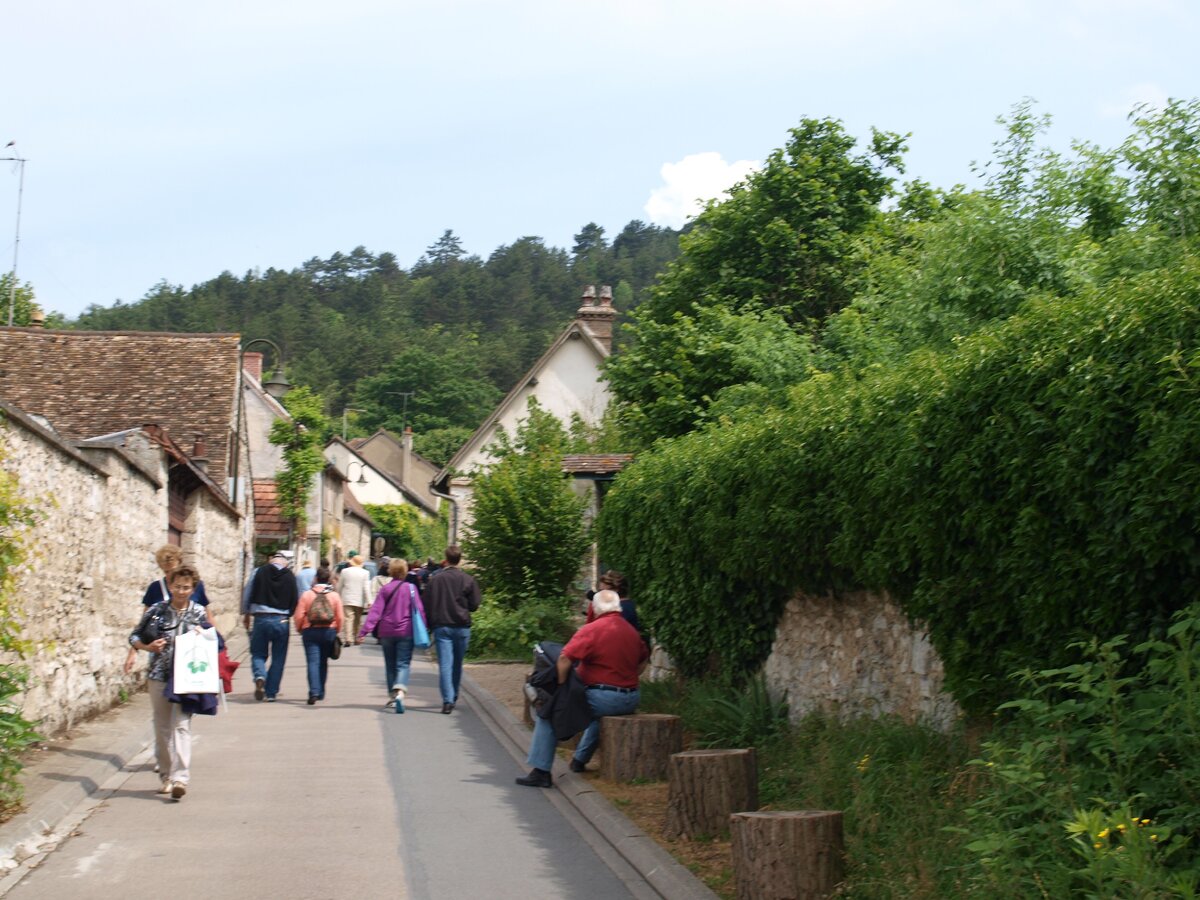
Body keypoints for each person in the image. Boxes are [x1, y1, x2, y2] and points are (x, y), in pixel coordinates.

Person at [516, 589, 648, 788]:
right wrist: (630, 677)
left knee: (550, 713)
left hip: (603, 697)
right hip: (630, 697)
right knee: (594, 715)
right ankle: (579, 760)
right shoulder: (631, 631)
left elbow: (564, 658)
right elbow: (643, 660)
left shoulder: (593, 629)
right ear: (618, 607)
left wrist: (561, 685)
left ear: (594, 609)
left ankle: (541, 771)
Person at [125, 565, 212, 800]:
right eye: (177, 586)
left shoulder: (199, 613)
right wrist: (147, 647)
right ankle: (165, 775)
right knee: (162, 728)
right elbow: (134, 636)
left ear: (193, 588)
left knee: (182, 726)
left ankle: (180, 778)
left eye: (186, 587)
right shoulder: (157, 610)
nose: (181, 591)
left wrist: (203, 638)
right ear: (170, 585)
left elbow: (213, 640)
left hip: (188, 677)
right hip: (160, 674)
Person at [125, 545, 213, 672]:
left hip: (190, 660)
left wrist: (215, 644)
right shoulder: (155, 589)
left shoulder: (195, 586)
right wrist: (134, 651)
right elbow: (144, 627)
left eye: (172, 570)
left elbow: (208, 618)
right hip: (162, 660)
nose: (169, 576)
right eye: (166, 572)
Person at [358, 559, 426, 714]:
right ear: (404, 571)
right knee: (403, 663)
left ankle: (392, 696)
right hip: (406, 631)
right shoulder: (411, 589)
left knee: (390, 664)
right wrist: (424, 628)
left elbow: (375, 612)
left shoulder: (386, 589)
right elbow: (420, 611)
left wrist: (364, 631)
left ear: (391, 571)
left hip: (387, 632)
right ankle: (400, 691)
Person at [422, 545, 482, 714]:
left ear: (446, 559)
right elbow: (475, 604)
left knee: (445, 664)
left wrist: (430, 622)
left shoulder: (436, 580)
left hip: (442, 626)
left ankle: (447, 700)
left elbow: (426, 602)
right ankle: (453, 695)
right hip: (462, 626)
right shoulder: (467, 579)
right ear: (460, 559)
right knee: (457, 663)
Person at [241, 549, 298, 702]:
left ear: (271, 560)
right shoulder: (290, 576)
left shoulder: (258, 572)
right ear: (285, 563)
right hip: (282, 619)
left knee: (258, 652)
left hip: (260, 618)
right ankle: (271, 693)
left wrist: (245, 612)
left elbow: (247, 593)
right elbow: (295, 598)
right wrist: (289, 614)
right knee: (278, 657)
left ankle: (260, 675)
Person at [294, 566, 344, 705]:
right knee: (323, 662)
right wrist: (337, 630)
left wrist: (300, 628)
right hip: (329, 630)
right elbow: (340, 616)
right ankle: (321, 691)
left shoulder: (307, 595)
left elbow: (299, 615)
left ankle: (313, 692)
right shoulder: (334, 595)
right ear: (328, 579)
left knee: (312, 662)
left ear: (316, 578)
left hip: (310, 630)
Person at [336, 552, 372, 646]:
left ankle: (348, 639)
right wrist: (369, 601)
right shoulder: (365, 573)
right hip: (359, 599)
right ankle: (356, 637)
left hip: (347, 598)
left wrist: (337, 596)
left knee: (348, 618)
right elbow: (366, 587)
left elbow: (340, 585)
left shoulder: (345, 571)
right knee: (358, 619)